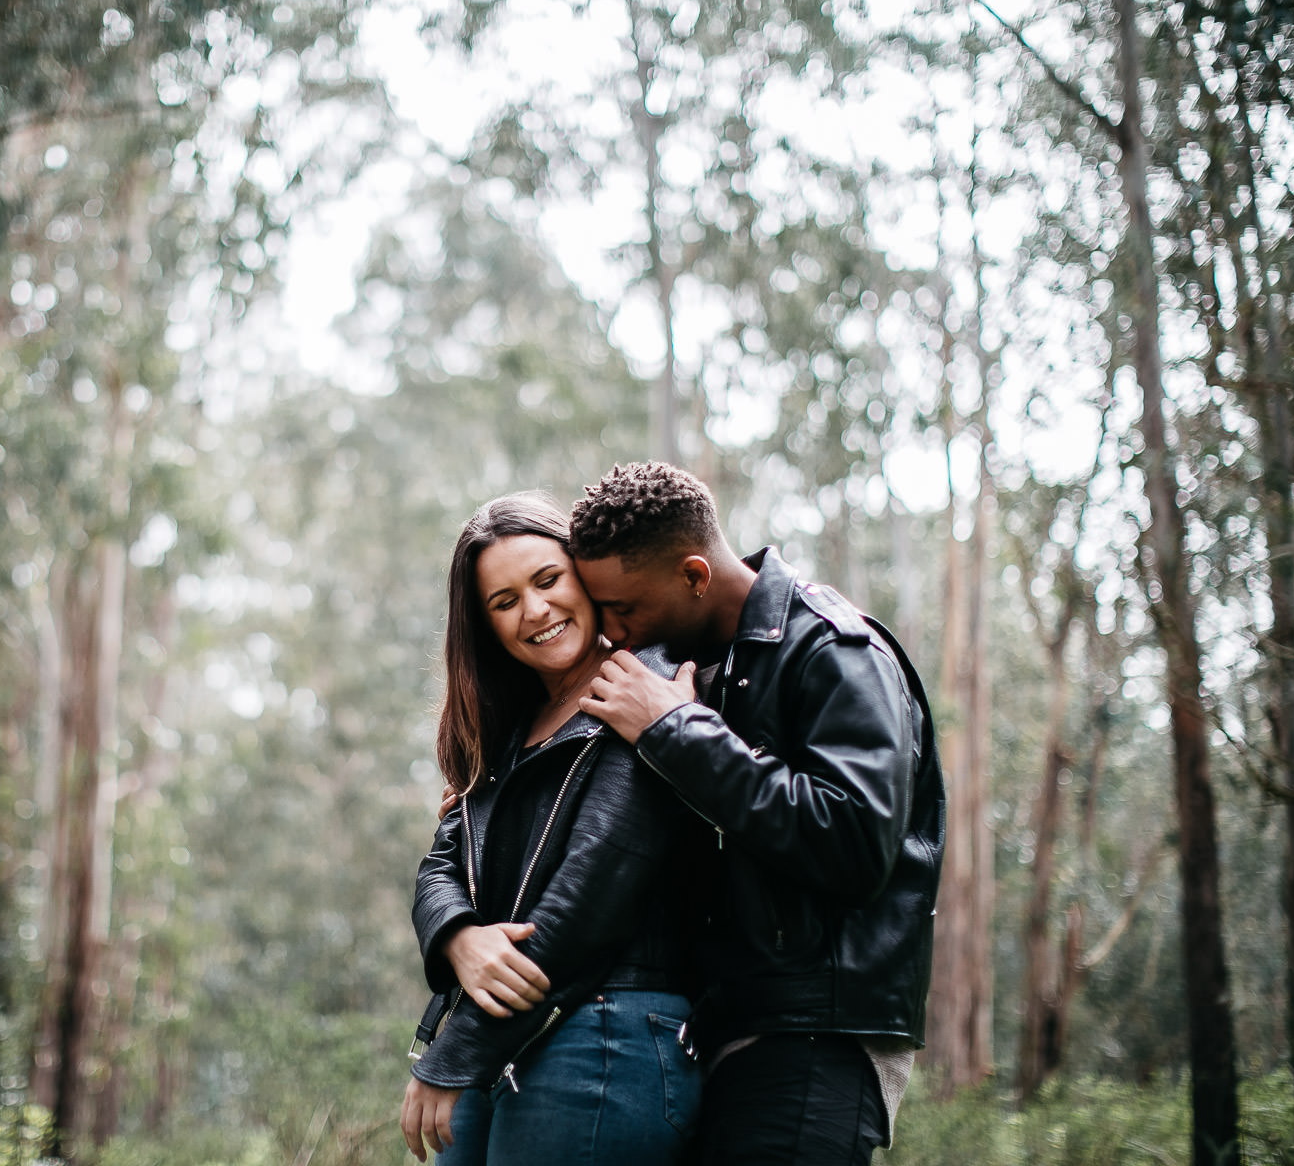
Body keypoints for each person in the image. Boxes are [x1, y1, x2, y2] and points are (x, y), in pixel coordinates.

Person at [569, 461, 944, 1166]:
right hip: (718, 1030)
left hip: (815, 1036)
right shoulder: (697, 666)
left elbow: (854, 842)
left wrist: (676, 731)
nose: (613, 633)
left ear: (694, 575)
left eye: (624, 608)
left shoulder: (835, 647)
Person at [400, 492, 702, 1165]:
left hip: (606, 1029)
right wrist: (458, 938)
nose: (535, 611)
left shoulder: (643, 682)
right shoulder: (508, 728)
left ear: (585, 574)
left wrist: (456, 1051)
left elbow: (593, 888)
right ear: (484, 624)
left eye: (547, 580)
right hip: (509, 1029)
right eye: (504, 601)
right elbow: (442, 863)